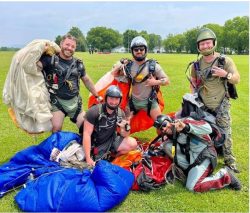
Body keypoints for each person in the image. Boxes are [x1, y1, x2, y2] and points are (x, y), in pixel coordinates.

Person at [188, 28, 240, 173]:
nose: (205, 46)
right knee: (204, 133)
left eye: (208, 43)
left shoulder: (225, 61)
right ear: (198, 47)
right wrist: (192, 98)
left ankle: (230, 161)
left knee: (225, 133)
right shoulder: (196, 65)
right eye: (202, 44)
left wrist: (226, 74)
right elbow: (193, 81)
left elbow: (237, 78)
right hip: (204, 106)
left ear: (213, 43)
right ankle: (207, 157)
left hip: (221, 105)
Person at [153, 114, 242, 192]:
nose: (164, 128)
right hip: (192, 159)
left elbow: (208, 128)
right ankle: (189, 173)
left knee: (192, 187)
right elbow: (171, 149)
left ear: (169, 120)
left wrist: (186, 127)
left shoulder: (186, 121)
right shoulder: (171, 136)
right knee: (167, 146)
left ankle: (225, 175)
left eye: (164, 124)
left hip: (205, 155)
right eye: (161, 128)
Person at [37, 34, 101, 132]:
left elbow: (86, 80)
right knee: (56, 129)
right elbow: (33, 67)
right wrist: (39, 51)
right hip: (57, 102)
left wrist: (97, 96)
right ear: (61, 44)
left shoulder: (78, 64)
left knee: (87, 129)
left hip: (75, 103)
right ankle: (56, 147)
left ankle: (85, 146)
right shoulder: (49, 60)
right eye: (67, 45)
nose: (69, 48)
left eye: (73, 46)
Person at [111, 36, 170, 121]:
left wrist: (155, 82)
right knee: (124, 125)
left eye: (141, 49)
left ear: (145, 50)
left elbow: (167, 80)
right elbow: (114, 74)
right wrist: (120, 63)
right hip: (133, 102)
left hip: (150, 102)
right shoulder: (128, 65)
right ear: (132, 51)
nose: (139, 51)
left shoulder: (153, 65)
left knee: (161, 124)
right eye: (136, 50)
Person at [82, 85, 137, 166]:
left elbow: (125, 135)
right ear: (106, 98)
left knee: (132, 143)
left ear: (120, 100)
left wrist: (125, 128)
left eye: (116, 99)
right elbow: (86, 134)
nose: (114, 102)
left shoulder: (120, 113)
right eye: (111, 98)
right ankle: (97, 156)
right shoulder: (94, 111)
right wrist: (88, 158)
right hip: (96, 143)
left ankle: (112, 158)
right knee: (93, 162)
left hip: (110, 140)